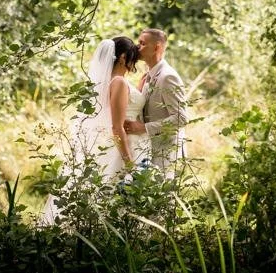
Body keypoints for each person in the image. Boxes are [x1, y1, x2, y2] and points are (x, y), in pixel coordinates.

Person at [39, 36, 148, 224]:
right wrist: (130, 164)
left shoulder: (113, 82)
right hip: (124, 149)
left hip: (120, 145)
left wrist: (139, 88)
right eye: (132, 57)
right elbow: (117, 126)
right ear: (122, 57)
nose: (134, 62)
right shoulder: (119, 83)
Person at [124, 28, 188, 178]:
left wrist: (144, 128)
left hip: (166, 152)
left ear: (157, 47)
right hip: (147, 150)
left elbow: (181, 118)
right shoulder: (147, 75)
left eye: (142, 43)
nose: (137, 47)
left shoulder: (168, 77)